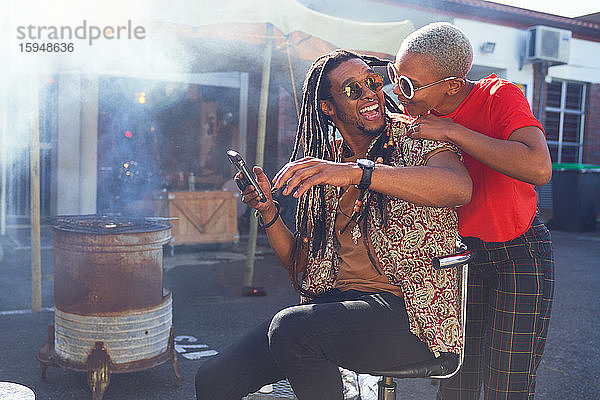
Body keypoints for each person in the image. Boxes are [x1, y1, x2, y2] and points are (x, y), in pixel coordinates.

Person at [194, 48, 472, 400]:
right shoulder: (327, 164)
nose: (371, 93)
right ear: (328, 107)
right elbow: (301, 271)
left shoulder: (416, 137)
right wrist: (269, 213)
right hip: (340, 307)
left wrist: (358, 172)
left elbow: (458, 188)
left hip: (411, 315)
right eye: (353, 89)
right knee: (213, 379)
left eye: (372, 81)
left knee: (292, 329)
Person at [388, 22, 554, 400]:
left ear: (451, 84)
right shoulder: (412, 114)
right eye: (395, 76)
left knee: (506, 385)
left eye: (409, 84)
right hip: (456, 260)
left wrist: (452, 132)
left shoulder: (499, 95)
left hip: (518, 254)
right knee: (454, 381)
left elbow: (539, 167)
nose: (397, 91)